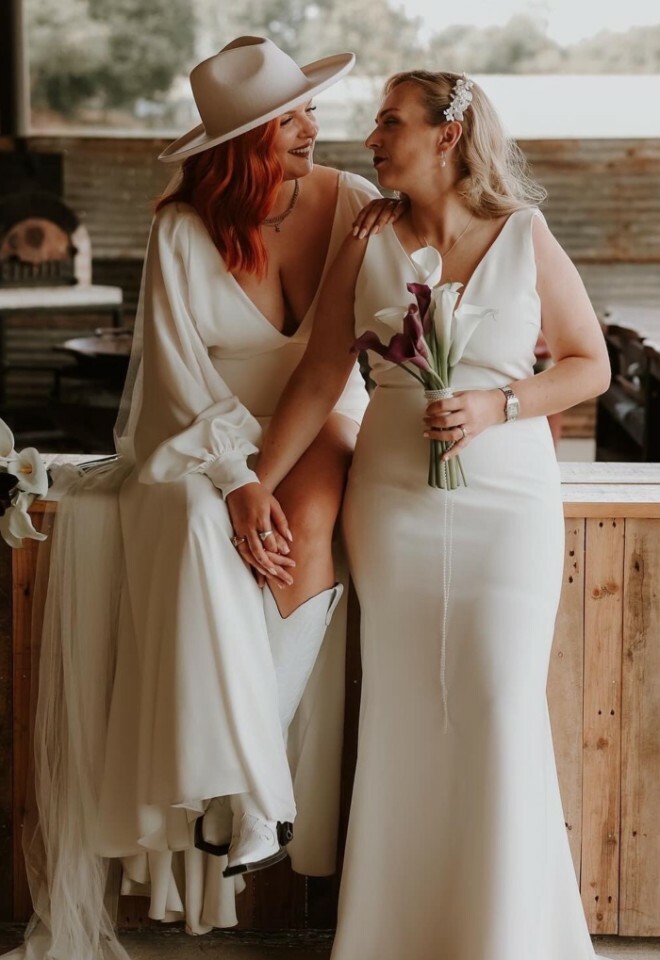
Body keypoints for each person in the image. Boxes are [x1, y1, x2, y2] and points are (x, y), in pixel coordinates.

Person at [7, 36, 398, 960]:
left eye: (307, 112)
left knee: (309, 520)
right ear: (250, 142)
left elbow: (367, 338)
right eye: (293, 118)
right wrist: (233, 480)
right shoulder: (181, 230)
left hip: (320, 418)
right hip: (204, 433)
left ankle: (247, 790)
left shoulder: (351, 202)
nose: (314, 126)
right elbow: (179, 381)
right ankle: (248, 802)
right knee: (186, 521)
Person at [233, 70, 612, 960]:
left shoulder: (524, 234)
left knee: (495, 699)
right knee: (404, 709)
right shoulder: (365, 241)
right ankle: (393, 936)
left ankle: (508, 938)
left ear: (447, 134)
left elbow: (587, 364)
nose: (371, 136)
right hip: (395, 500)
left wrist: (499, 405)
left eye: (389, 121)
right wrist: (252, 481)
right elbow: (323, 373)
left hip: (508, 502)